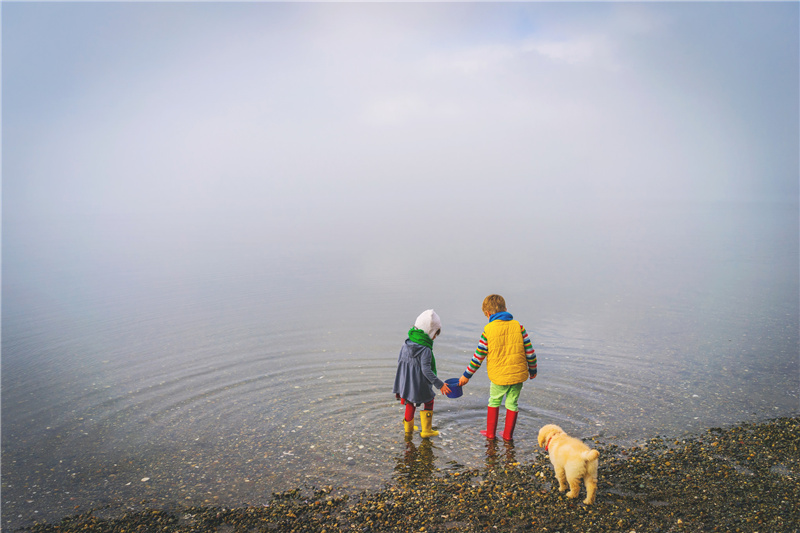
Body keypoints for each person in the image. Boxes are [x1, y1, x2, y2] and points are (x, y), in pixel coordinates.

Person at [458, 294, 537, 440]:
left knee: (494, 401)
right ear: (505, 309)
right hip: (517, 375)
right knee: (512, 403)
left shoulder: (488, 330)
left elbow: (478, 357)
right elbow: (530, 352)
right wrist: (533, 369)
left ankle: (490, 434)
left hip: (498, 376)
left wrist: (466, 375)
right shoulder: (519, 327)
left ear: (487, 314)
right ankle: (507, 436)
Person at [393, 309, 451, 438]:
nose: (435, 337)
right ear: (429, 331)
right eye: (435, 334)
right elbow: (426, 370)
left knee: (410, 403)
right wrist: (440, 384)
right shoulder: (425, 350)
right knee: (429, 401)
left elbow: (400, 362)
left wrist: (402, 382)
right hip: (419, 385)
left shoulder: (406, 343)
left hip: (407, 383)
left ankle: (408, 431)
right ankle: (426, 431)